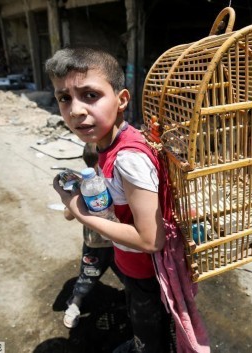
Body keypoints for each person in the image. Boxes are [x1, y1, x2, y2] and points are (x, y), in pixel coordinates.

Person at [46, 47, 209, 353]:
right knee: (140, 318)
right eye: (64, 98)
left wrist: (78, 211)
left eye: (90, 95)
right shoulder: (108, 143)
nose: (75, 110)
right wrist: (79, 188)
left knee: (151, 331)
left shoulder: (128, 158)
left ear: (121, 100)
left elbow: (150, 240)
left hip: (145, 271)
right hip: (128, 263)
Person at [62, 142, 123, 329]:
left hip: (120, 242)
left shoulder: (114, 181)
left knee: (129, 278)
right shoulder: (84, 186)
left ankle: (135, 302)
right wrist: (75, 201)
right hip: (95, 244)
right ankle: (75, 302)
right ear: (93, 166)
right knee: (88, 276)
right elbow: (67, 214)